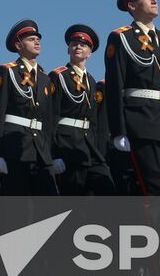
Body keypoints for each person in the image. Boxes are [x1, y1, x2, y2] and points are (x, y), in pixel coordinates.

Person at [105, 0, 160, 197]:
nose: (154, 0)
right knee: (156, 189)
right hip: (141, 122)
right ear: (132, 5)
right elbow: (115, 86)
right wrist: (118, 130)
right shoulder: (121, 37)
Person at [0, 21, 59, 197]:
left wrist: (53, 152)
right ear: (18, 45)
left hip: (41, 149)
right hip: (14, 148)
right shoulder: (8, 72)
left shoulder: (44, 78)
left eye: (38, 39)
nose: (37, 42)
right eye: (31, 39)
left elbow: (48, 120)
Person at [49, 26, 114, 196]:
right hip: (66, 144)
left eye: (83, 45)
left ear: (90, 53)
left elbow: (94, 120)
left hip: (88, 147)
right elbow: (50, 117)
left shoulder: (92, 81)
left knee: (106, 187)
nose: (78, 47)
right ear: (68, 49)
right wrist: (53, 154)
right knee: (74, 197)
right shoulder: (58, 76)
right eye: (74, 44)